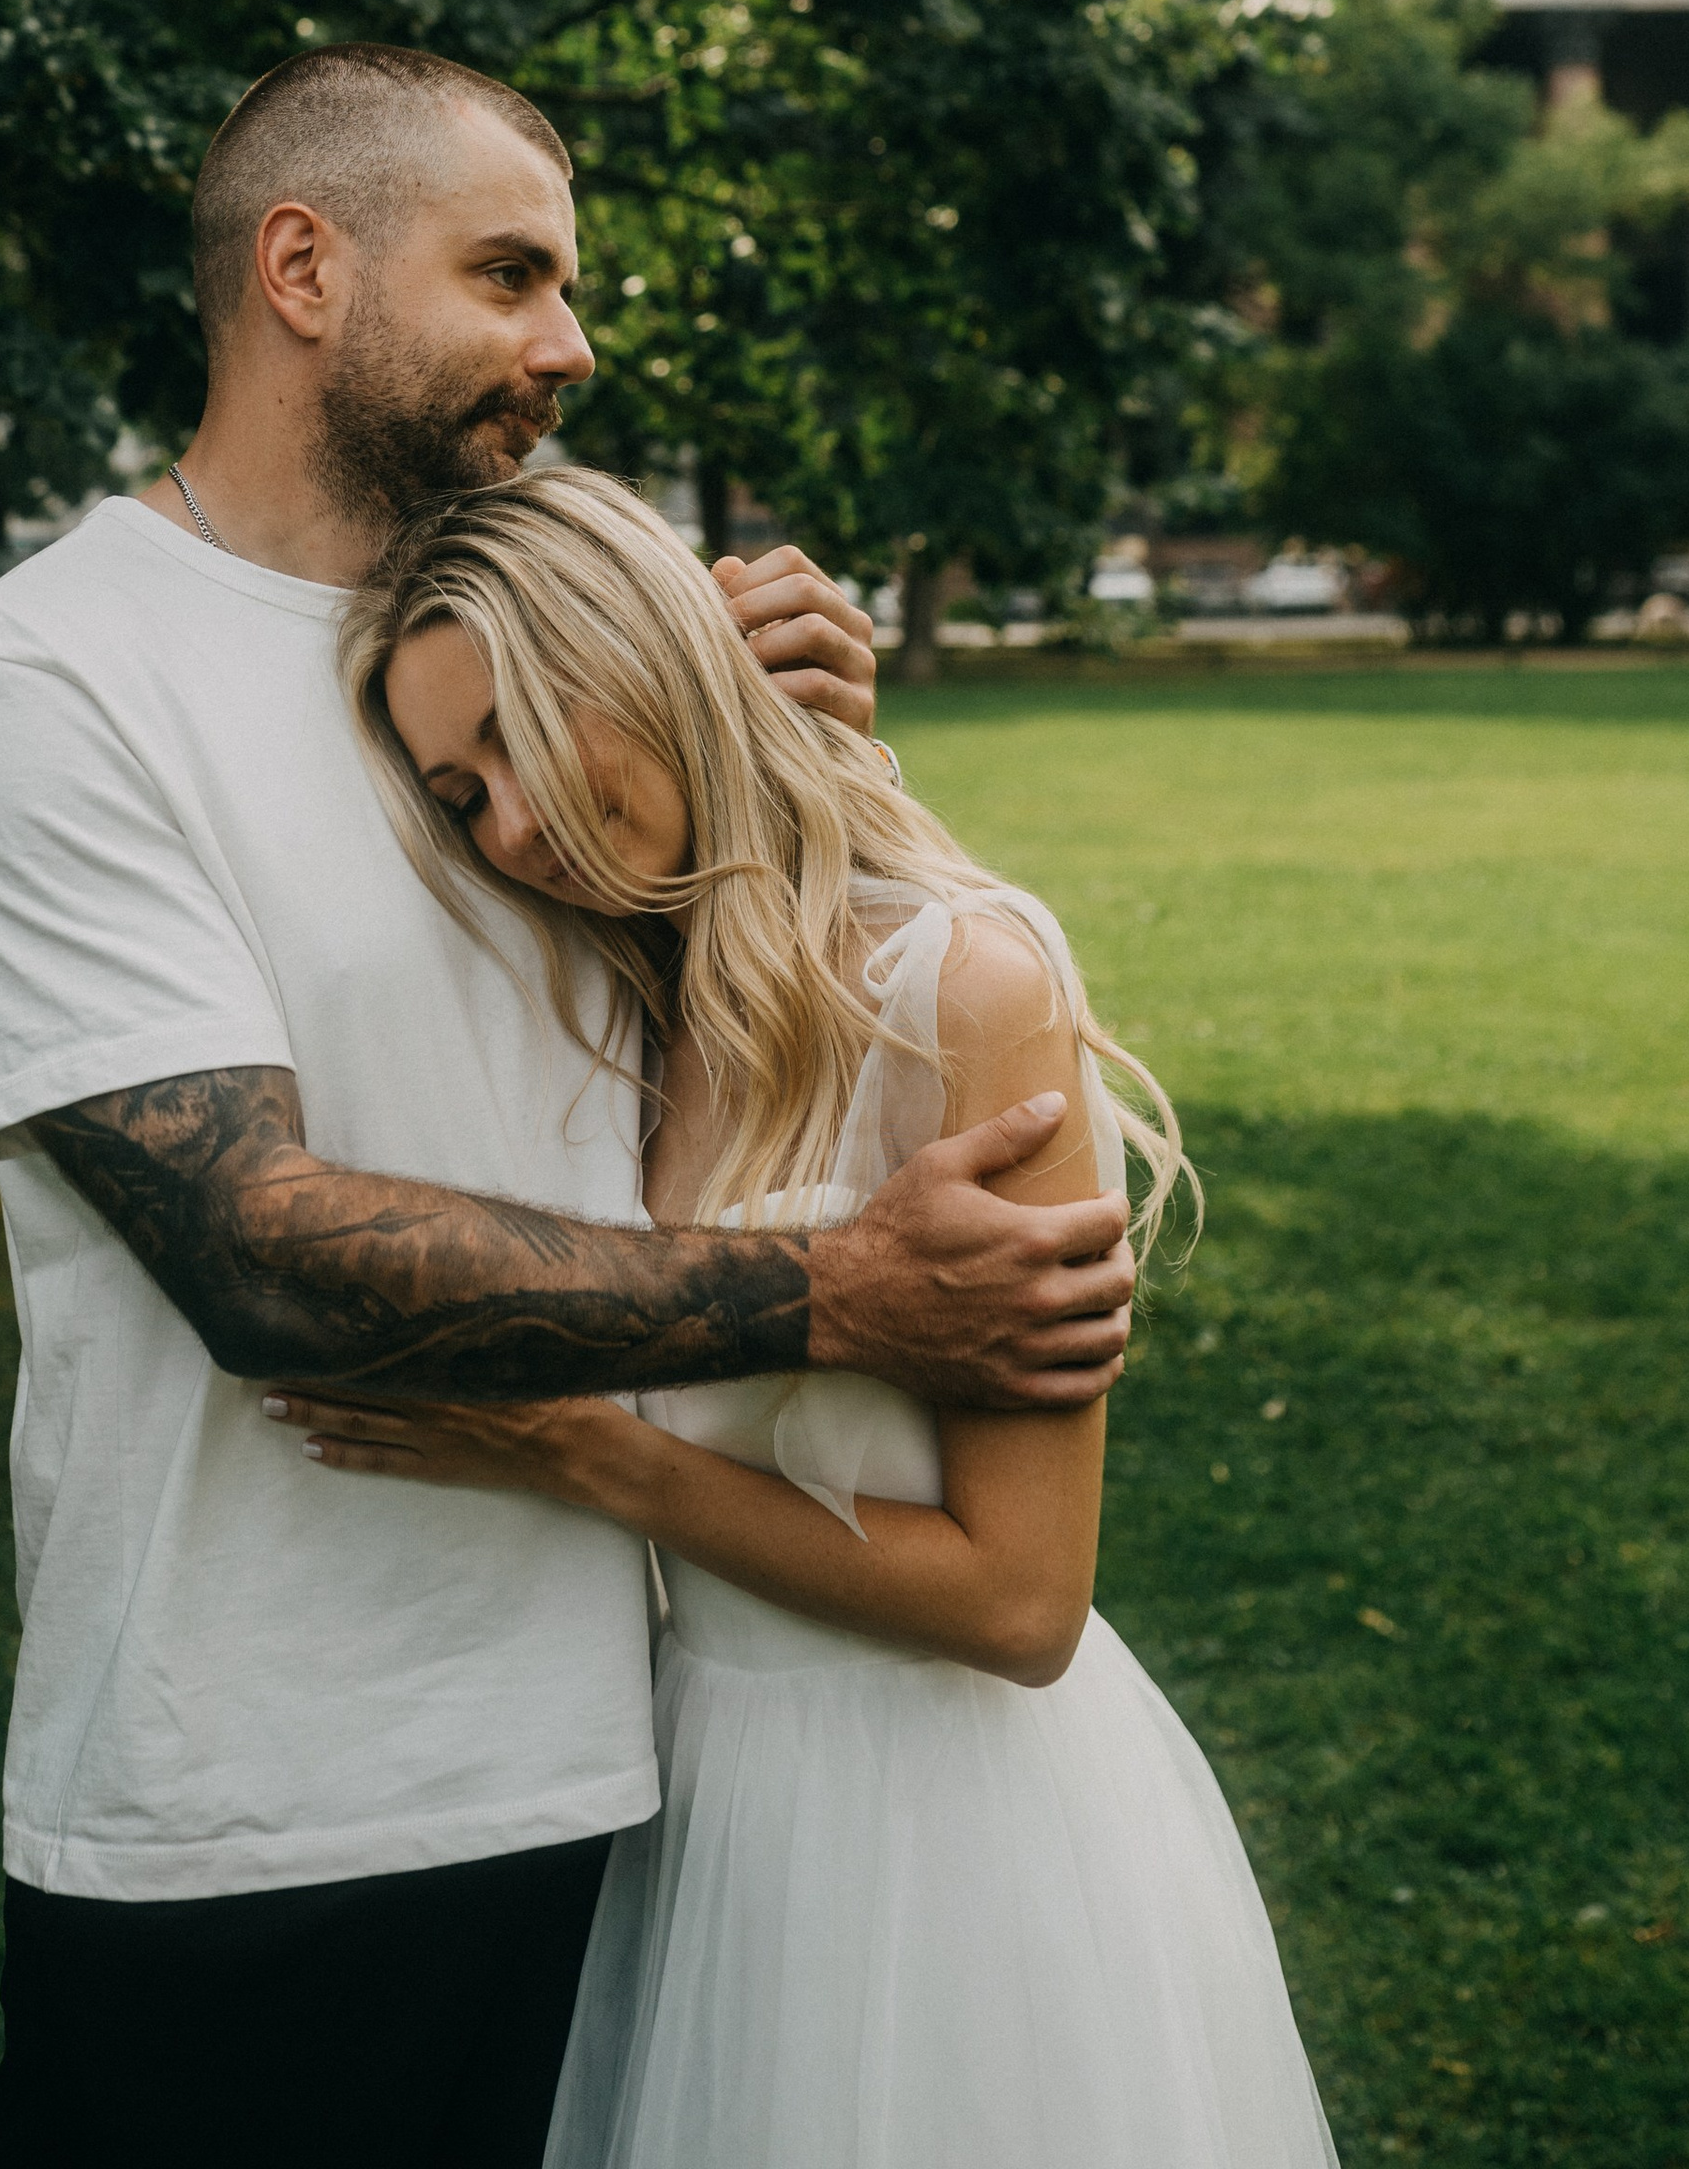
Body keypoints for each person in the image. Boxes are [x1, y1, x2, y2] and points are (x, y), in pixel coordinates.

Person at [0, 45, 1139, 2169]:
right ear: (303, 265)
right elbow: (257, 1256)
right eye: (509, 274)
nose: (568, 342)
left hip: (634, 1772)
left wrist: (771, 759)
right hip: (258, 1789)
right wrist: (832, 1294)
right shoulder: (53, 686)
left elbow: (736, 1005)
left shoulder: (515, 648)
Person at [272, 462, 1340, 2169]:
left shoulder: (964, 985)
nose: (515, 829)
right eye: (461, 792)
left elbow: (1021, 1598)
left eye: (530, 733)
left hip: (942, 1838)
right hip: (689, 1798)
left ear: (646, 658)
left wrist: (589, 1458)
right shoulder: (605, 1014)